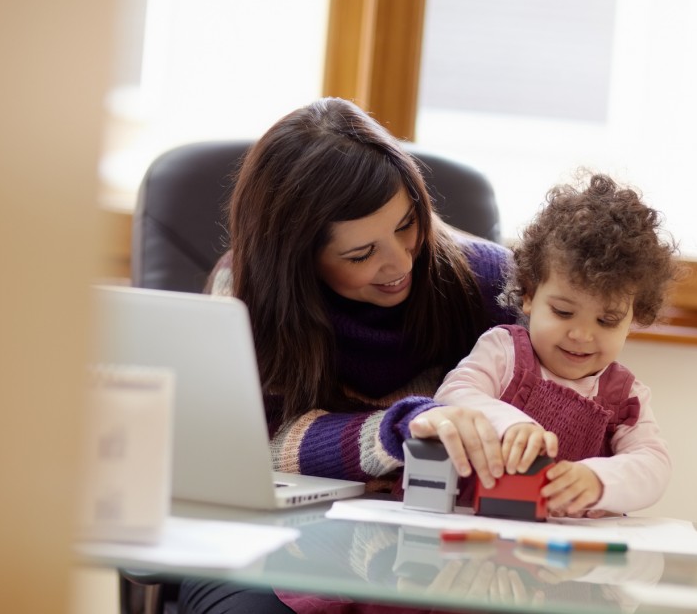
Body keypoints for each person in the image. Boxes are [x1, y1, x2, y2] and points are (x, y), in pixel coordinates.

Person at [178, 96, 522, 613]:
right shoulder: (244, 290)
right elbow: (249, 449)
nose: (400, 261)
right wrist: (397, 430)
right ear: (297, 260)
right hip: (270, 547)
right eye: (361, 254)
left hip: (436, 548)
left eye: (407, 224)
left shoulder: (491, 283)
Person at [435, 173, 686, 518]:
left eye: (607, 321)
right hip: (479, 533)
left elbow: (654, 465)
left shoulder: (626, 397)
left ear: (634, 318)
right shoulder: (503, 351)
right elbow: (453, 395)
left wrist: (598, 480)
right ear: (529, 293)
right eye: (563, 312)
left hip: (567, 558)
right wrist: (509, 423)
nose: (581, 335)